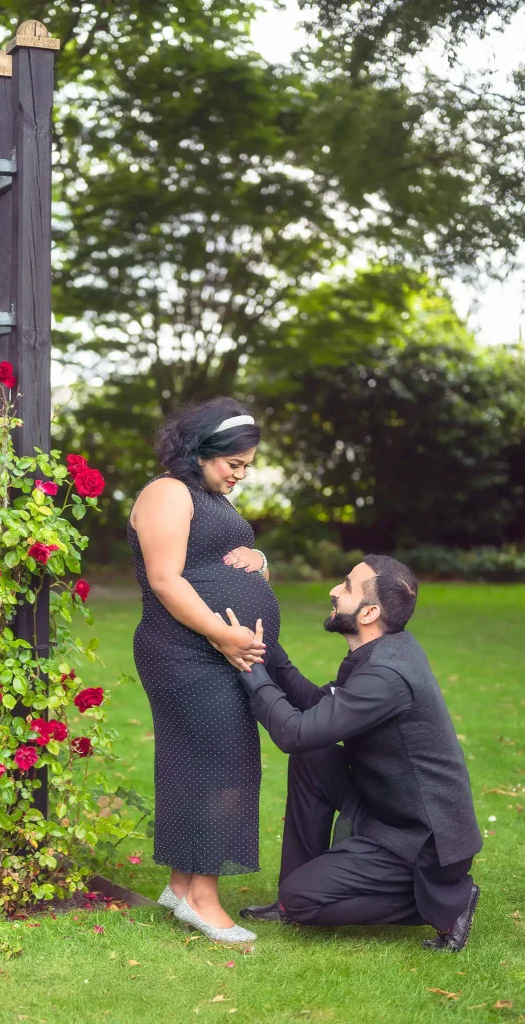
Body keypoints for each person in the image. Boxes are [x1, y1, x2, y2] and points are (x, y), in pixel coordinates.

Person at [231, 555, 482, 951]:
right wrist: (264, 650)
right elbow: (316, 708)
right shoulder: (382, 651)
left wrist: (249, 668)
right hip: (386, 804)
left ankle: (446, 901)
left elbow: (294, 732)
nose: (334, 590)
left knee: (302, 901)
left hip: (419, 840)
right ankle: (288, 897)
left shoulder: (386, 676)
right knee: (315, 758)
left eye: (346, 586)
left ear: (369, 613)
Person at [127, 397, 279, 944]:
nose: (240, 475)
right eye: (234, 464)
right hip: (185, 649)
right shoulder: (168, 492)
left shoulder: (209, 498)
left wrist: (261, 562)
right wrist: (222, 633)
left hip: (212, 648)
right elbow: (166, 578)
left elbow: (220, 563)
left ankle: (181, 887)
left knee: (197, 763)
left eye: (247, 467)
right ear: (201, 451)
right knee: (221, 765)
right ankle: (203, 899)